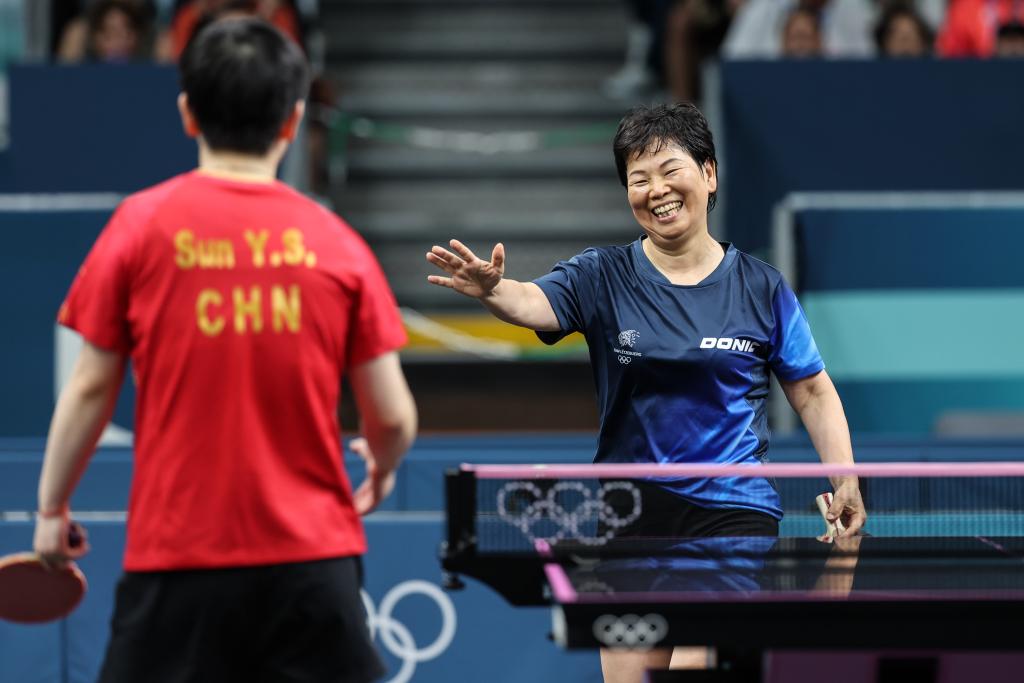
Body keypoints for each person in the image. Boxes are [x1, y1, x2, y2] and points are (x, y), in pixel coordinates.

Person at [426, 102, 865, 683]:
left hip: (729, 513)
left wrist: (845, 478)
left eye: (669, 170)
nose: (655, 190)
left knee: (693, 665)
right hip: (628, 514)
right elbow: (533, 301)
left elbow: (811, 390)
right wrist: (492, 289)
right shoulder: (602, 275)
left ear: (708, 175)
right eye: (638, 178)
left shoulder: (761, 287)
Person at [34, 17, 416, 683]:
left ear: (187, 113)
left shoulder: (140, 225)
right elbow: (393, 414)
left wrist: (50, 509)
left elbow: (92, 388)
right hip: (311, 566)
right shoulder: (336, 240)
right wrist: (381, 466)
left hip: (179, 562)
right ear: (294, 121)